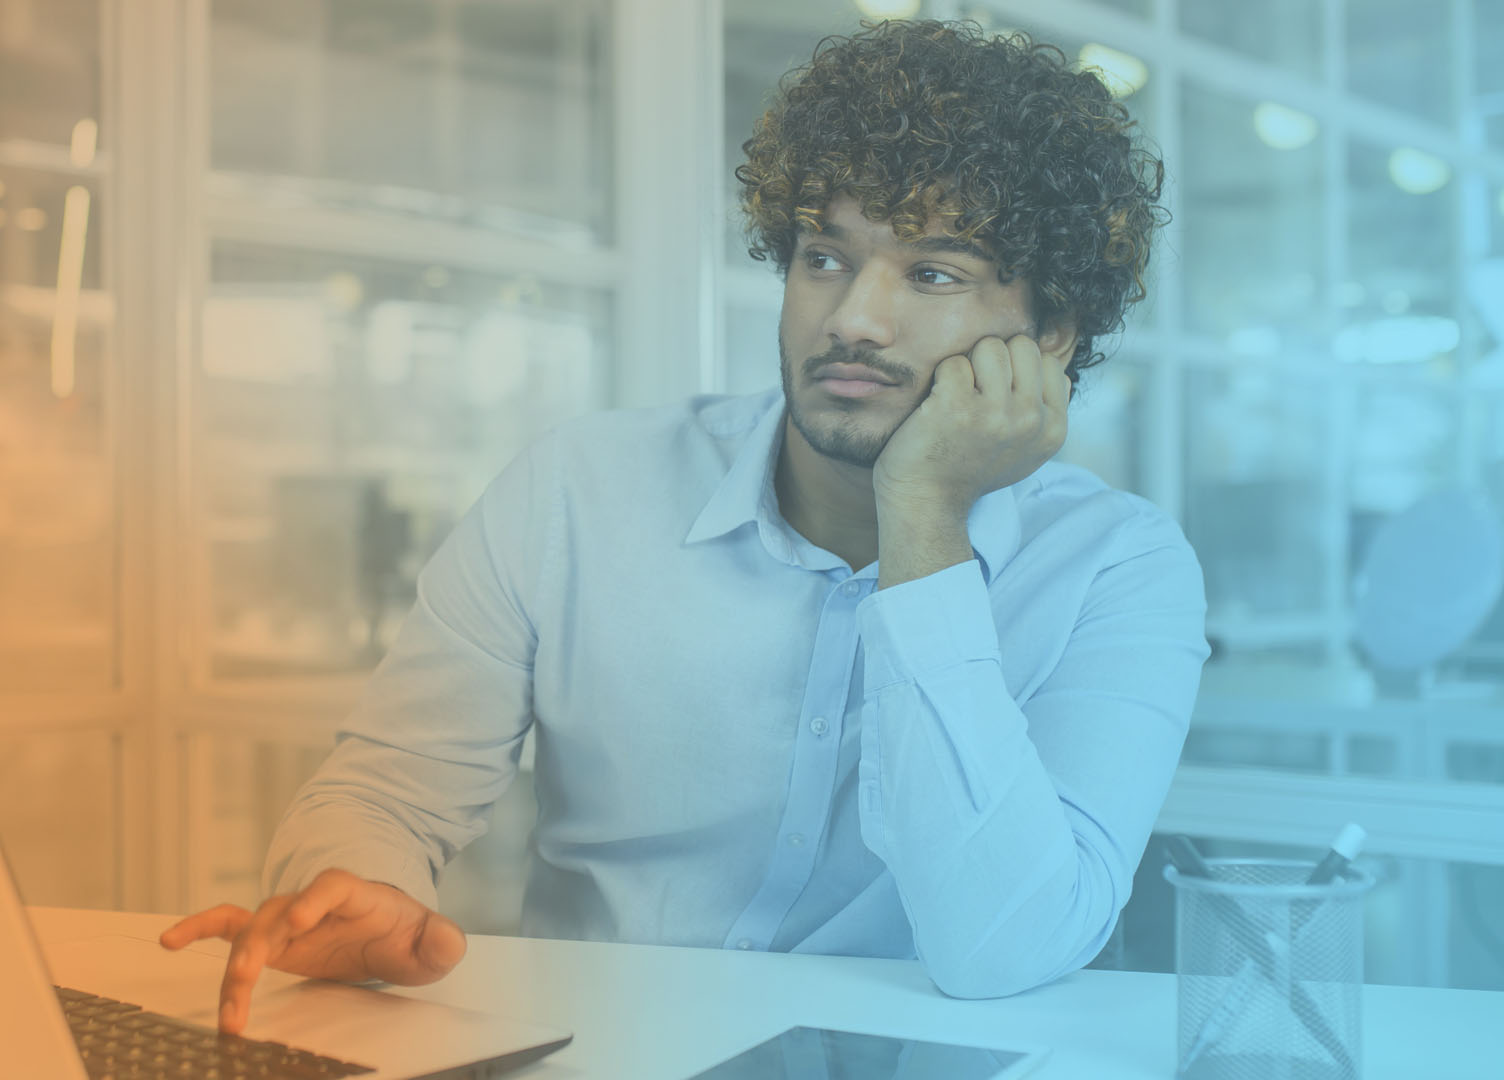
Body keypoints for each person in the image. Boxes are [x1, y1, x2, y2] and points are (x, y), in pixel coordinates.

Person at [161, 18, 1205, 1033]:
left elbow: (1008, 944)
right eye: (824, 257)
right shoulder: (579, 488)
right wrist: (358, 885)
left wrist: (923, 516)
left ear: (1053, 332)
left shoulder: (1121, 569)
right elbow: (386, 790)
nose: (852, 319)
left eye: (932, 274)